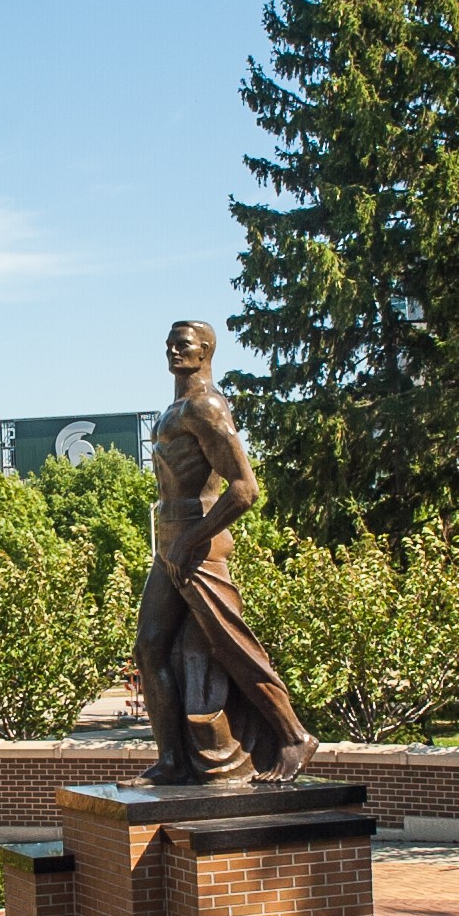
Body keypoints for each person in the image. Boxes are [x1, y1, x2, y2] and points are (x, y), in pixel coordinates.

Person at [134, 320, 317, 784]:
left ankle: (295, 736)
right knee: (150, 648)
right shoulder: (172, 410)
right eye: (169, 343)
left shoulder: (206, 406)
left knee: (232, 645)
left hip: (198, 543)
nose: (174, 351)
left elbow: (244, 489)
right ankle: (173, 759)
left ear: (206, 351)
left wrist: (191, 540)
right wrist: (172, 542)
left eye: (185, 345)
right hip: (172, 542)